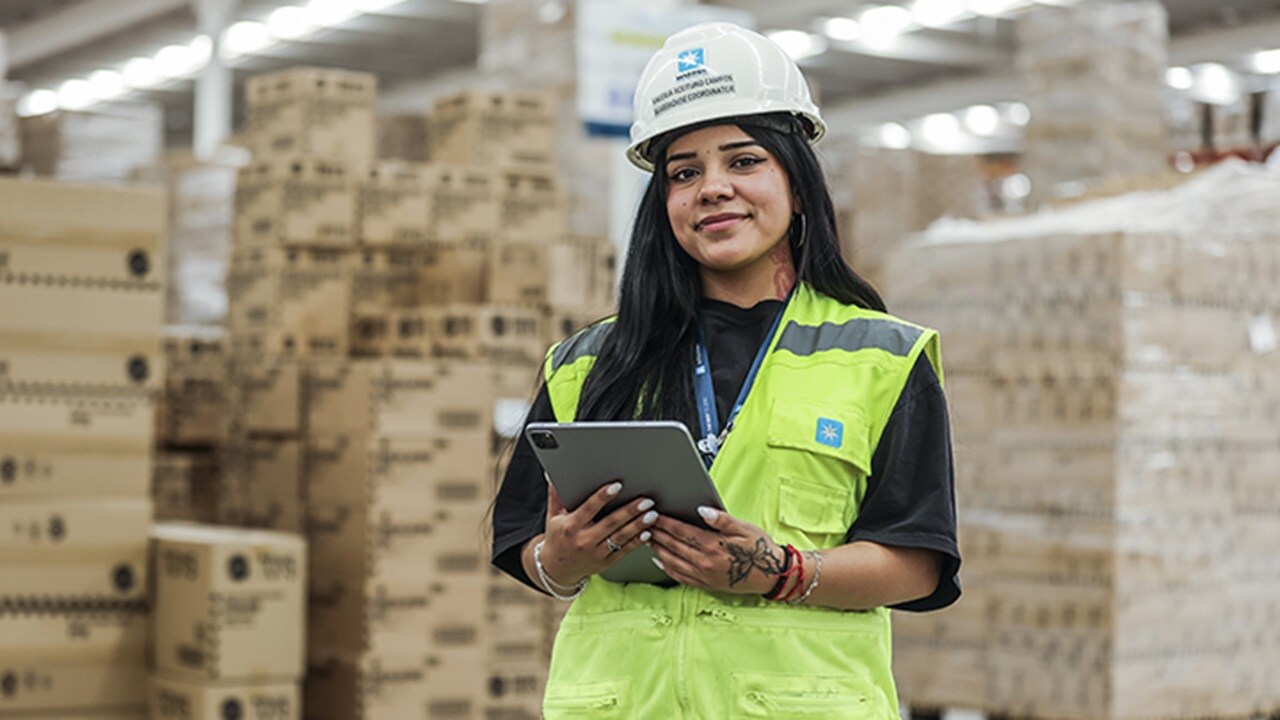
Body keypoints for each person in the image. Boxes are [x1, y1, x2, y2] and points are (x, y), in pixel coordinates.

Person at [491, 21, 960, 719]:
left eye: (743, 162)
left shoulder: (882, 357)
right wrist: (560, 561)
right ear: (665, 203)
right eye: (684, 172)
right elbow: (522, 543)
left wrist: (782, 572)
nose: (713, 188)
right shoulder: (587, 363)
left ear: (797, 185)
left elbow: (918, 563)